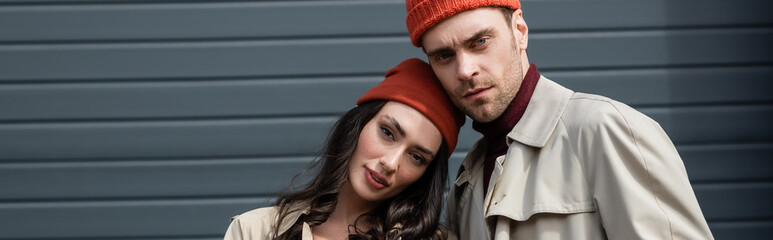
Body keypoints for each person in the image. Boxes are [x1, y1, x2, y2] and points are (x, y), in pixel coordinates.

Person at [404, 0, 715, 239]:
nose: (465, 70)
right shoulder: (467, 178)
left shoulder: (605, 130)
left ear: (519, 32)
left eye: (480, 42)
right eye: (444, 56)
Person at [223, 58, 465, 240]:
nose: (390, 163)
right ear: (358, 125)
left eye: (416, 157)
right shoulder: (255, 231)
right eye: (387, 132)